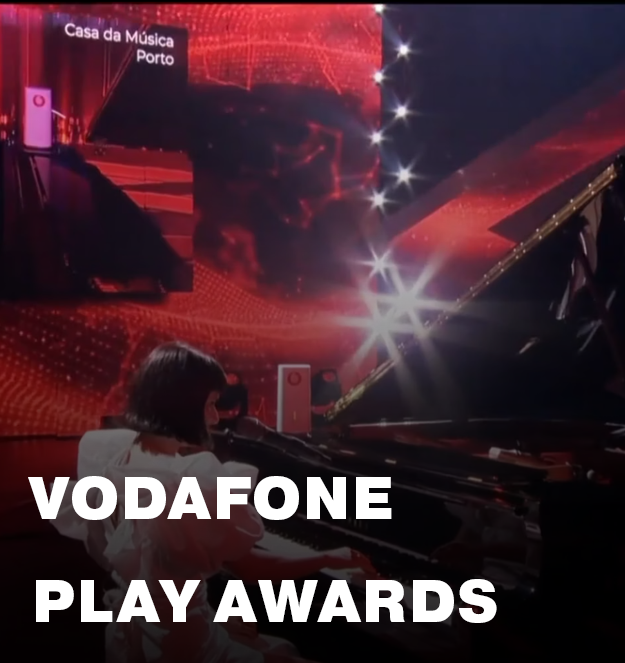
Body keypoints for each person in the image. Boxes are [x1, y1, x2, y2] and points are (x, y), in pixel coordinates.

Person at [51, 342, 377, 663]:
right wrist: (329, 557)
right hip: (184, 647)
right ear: (182, 407)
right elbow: (250, 568)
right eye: (209, 404)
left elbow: (151, 568)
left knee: (269, 642)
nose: (215, 418)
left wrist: (210, 614)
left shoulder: (114, 453)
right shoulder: (188, 477)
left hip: (133, 636)